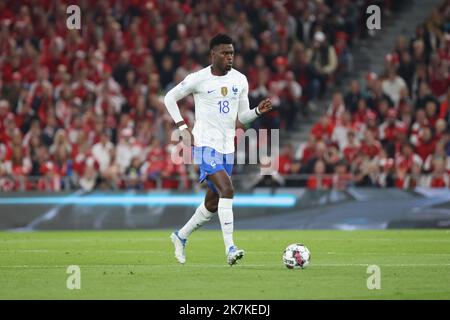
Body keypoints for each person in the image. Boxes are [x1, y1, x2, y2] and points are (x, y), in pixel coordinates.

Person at [163, 34, 272, 266]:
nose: (229, 57)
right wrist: (182, 126)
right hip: (204, 145)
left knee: (212, 203)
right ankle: (230, 248)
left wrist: (257, 112)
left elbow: (241, 118)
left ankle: (180, 236)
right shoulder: (198, 79)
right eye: (224, 53)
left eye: (232, 53)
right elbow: (169, 98)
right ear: (213, 54)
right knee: (227, 189)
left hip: (226, 147)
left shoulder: (240, 80)